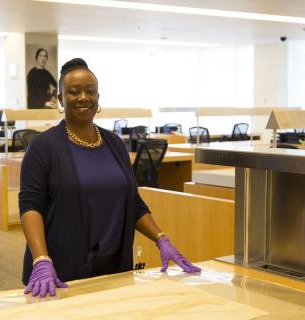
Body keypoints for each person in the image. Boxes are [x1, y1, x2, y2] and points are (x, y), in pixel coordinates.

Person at [19, 58, 200, 298]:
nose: (83, 97)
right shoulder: (43, 146)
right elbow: (30, 206)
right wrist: (41, 259)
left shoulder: (114, 144)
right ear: (61, 99)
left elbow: (132, 201)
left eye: (90, 91)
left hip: (113, 267)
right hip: (60, 271)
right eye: (74, 92)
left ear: (98, 98)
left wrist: (160, 238)